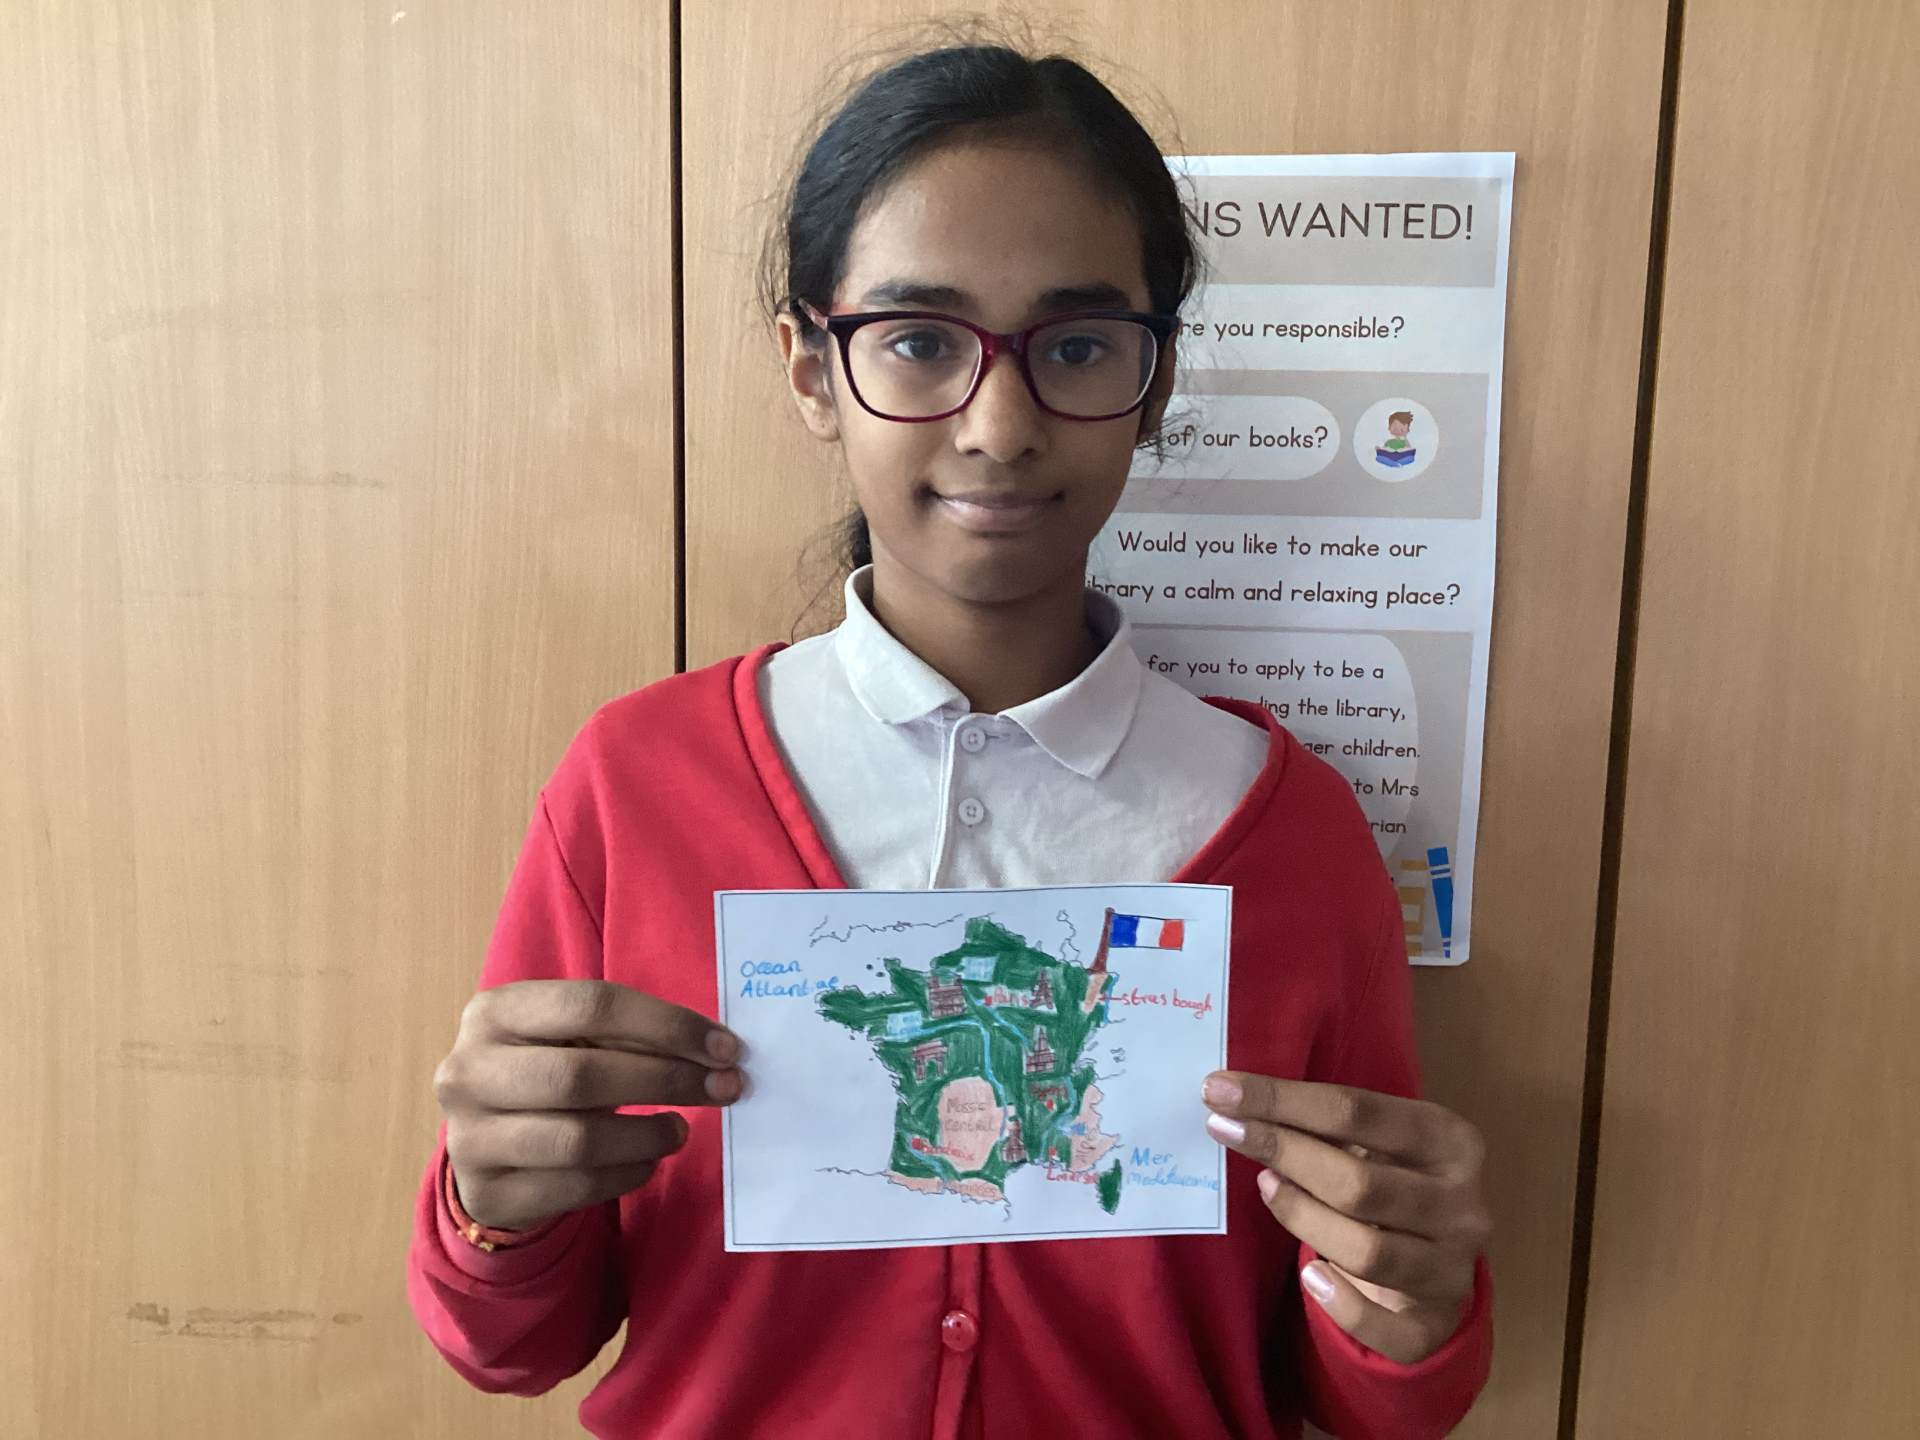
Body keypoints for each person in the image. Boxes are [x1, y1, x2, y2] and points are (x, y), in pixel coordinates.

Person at [406, 35, 1492, 1440]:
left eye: (1079, 347)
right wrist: (488, 1207)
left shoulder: (1294, 835)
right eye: (920, 340)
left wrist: (1409, 1306)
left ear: (1157, 381)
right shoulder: (635, 786)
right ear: (811, 370)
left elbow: (1366, 1393)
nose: (999, 424)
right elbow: (516, 1344)